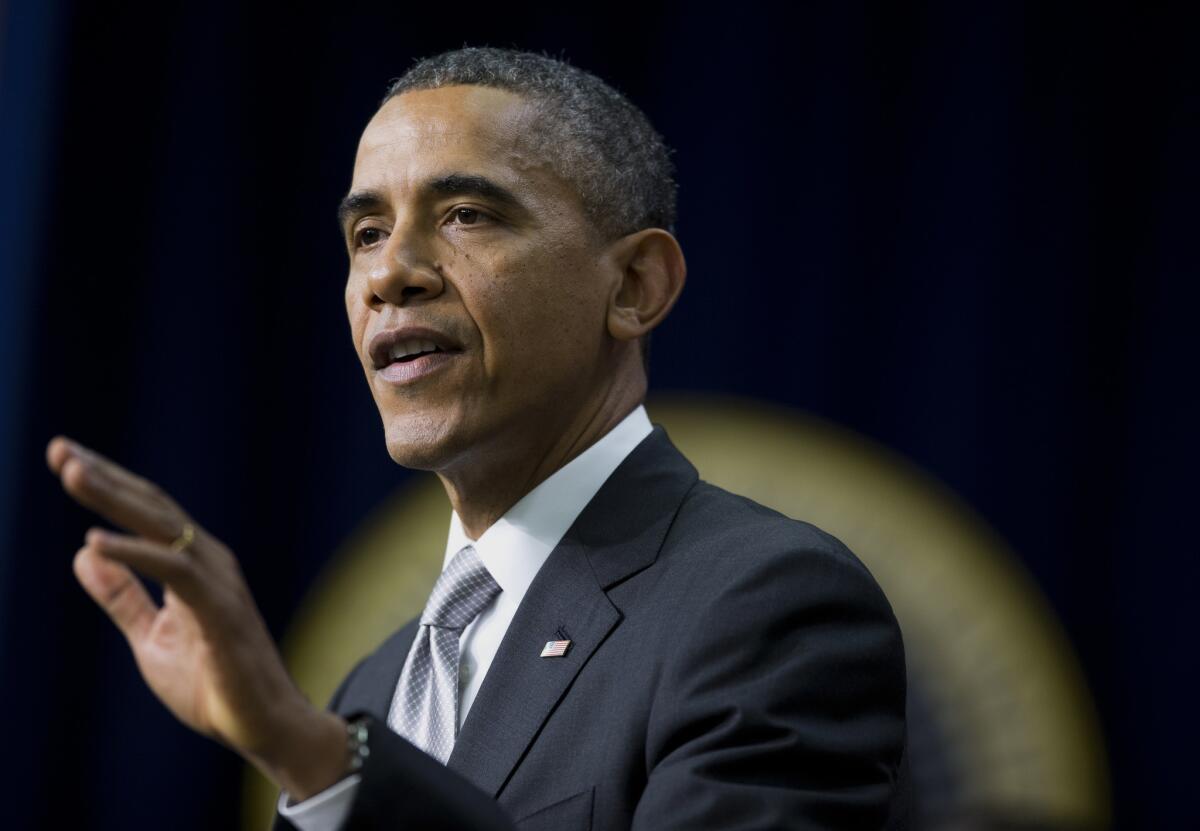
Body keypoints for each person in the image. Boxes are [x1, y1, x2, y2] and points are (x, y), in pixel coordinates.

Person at [46, 48, 909, 830]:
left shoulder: (766, 607)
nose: (389, 274)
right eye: (367, 233)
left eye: (465, 214)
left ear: (636, 286)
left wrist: (312, 757)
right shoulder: (375, 687)